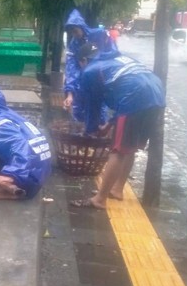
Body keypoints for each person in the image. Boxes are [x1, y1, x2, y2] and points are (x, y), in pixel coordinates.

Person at [69, 43, 166, 209]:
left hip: (135, 97)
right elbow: (124, 89)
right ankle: (117, 189)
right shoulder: (118, 59)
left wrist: (90, 130)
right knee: (130, 147)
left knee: (118, 150)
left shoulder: (90, 70)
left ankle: (100, 199)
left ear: (84, 60)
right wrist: (109, 125)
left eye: (80, 64)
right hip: (157, 96)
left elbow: (93, 104)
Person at [0, 83, 52, 200]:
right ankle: (12, 180)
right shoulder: (8, 116)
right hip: (40, 173)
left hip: (29, 181)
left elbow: (22, 146)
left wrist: (11, 175)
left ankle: (10, 189)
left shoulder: (0, 124)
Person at [63, 9, 116, 121]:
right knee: (78, 109)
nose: (74, 35)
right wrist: (70, 94)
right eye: (72, 32)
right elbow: (71, 69)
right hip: (84, 79)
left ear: (81, 27)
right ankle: (82, 131)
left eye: (76, 31)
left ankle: (99, 130)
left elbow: (112, 53)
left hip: (100, 78)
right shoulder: (74, 45)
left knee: (99, 109)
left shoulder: (99, 35)